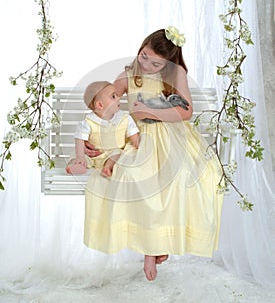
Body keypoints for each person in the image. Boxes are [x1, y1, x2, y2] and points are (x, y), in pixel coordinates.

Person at [83, 27, 224, 281]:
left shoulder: (176, 74)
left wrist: (150, 112)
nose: (146, 64)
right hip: (139, 138)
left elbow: (185, 112)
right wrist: (90, 131)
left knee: (181, 178)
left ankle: (159, 245)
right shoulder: (129, 75)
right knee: (137, 177)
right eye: (144, 56)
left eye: (155, 62)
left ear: (168, 63)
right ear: (141, 47)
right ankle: (152, 248)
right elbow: (107, 99)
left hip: (171, 136)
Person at [66, 81, 139, 177]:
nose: (118, 98)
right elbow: (79, 139)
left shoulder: (125, 119)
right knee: (76, 157)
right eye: (113, 96)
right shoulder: (89, 122)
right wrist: (80, 157)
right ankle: (78, 167)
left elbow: (134, 137)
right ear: (100, 105)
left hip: (111, 154)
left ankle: (107, 167)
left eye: (117, 95)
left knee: (118, 154)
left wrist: (138, 144)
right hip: (92, 156)